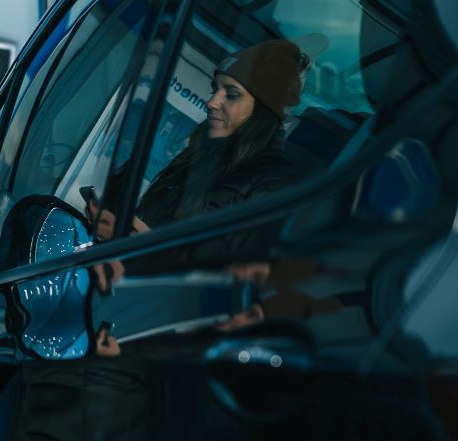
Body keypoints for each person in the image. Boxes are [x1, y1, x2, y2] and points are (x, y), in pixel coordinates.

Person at [87, 37, 307, 304]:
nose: (212, 102)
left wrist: (145, 245)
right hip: (123, 292)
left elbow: (234, 284)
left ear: (263, 109)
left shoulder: (276, 182)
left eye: (232, 93)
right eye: (215, 89)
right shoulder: (200, 154)